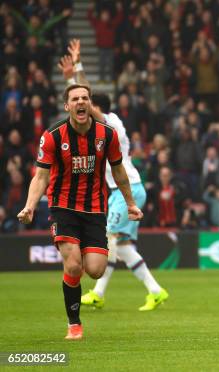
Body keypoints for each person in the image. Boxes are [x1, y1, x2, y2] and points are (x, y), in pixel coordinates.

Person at [17, 83, 143, 340]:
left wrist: (130, 203)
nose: (81, 102)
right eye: (75, 99)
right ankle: (74, 323)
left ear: (90, 104)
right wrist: (30, 205)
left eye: (85, 98)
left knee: (95, 269)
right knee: (74, 266)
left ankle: (76, 275)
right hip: (63, 207)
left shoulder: (107, 135)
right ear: (68, 106)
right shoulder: (53, 136)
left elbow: (118, 171)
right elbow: (41, 177)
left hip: (95, 208)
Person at [58, 40, 169, 311]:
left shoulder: (112, 122)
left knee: (109, 240)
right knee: (123, 246)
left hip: (127, 189)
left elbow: (88, 101)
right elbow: (86, 99)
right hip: (123, 189)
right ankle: (155, 291)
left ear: (97, 108)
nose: (83, 107)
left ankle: (98, 293)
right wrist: (75, 74)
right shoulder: (97, 126)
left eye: (88, 103)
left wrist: (76, 74)